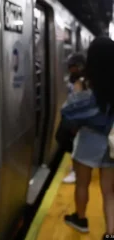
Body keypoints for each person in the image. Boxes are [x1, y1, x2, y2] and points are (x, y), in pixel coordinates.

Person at [60, 37, 114, 240]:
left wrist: (76, 91)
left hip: (88, 141)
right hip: (112, 142)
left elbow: (67, 112)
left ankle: (80, 219)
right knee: (109, 191)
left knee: (82, 184)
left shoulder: (87, 90)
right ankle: (111, 233)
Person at [62, 52, 87, 184]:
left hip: (79, 118)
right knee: (75, 143)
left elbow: (81, 100)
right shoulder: (74, 78)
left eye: (72, 66)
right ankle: (76, 168)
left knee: (77, 145)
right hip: (74, 116)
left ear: (79, 66)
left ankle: (76, 173)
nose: (69, 68)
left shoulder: (83, 81)